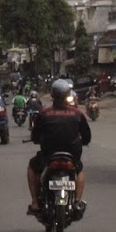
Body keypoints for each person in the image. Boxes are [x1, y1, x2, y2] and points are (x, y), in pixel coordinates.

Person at [27, 78, 92, 217]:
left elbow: (35, 135)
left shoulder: (44, 113)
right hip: (72, 156)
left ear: (51, 95)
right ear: (69, 94)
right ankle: (77, 201)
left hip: (48, 156)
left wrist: (36, 140)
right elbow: (87, 136)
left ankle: (34, 202)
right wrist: (84, 141)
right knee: (79, 170)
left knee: (32, 167)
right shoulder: (77, 113)